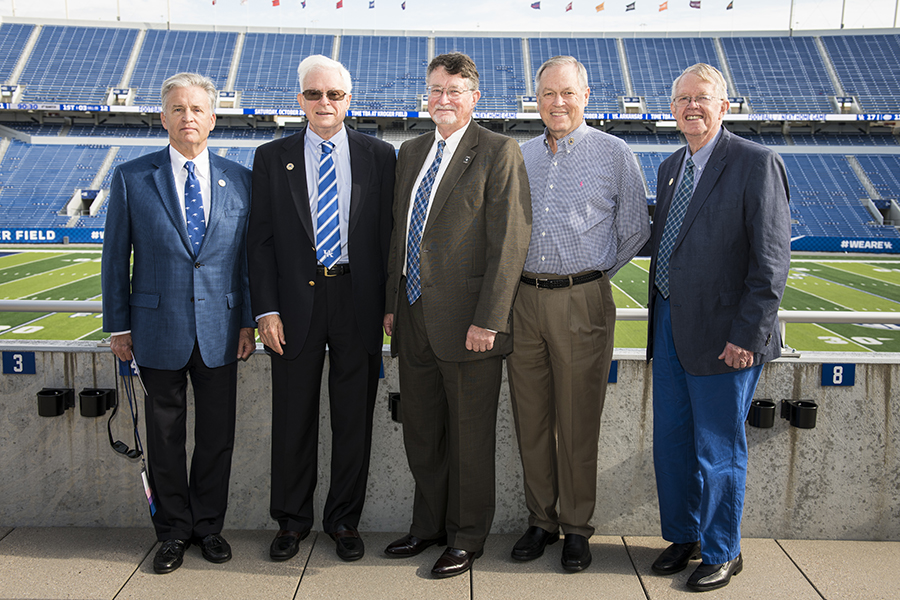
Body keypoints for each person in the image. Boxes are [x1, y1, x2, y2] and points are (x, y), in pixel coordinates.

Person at [382, 52, 531, 579]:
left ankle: (466, 537)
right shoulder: (411, 151)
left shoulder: (498, 150)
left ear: (474, 97)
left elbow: (510, 242)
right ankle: (427, 526)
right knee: (422, 432)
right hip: (413, 314)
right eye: (435, 89)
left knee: (469, 439)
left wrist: (489, 319)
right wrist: (391, 304)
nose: (443, 99)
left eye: (454, 90)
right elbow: (400, 233)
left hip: (470, 323)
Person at [101, 72, 255, 575]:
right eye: (178, 109)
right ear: (163, 118)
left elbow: (247, 260)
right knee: (164, 438)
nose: (188, 117)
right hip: (155, 330)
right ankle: (171, 532)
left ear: (213, 118)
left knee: (217, 437)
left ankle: (207, 526)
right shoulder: (132, 177)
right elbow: (114, 257)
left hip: (221, 329)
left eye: (197, 109)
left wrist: (247, 322)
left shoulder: (241, 179)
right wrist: (118, 326)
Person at [646, 63, 790, 592]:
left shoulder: (756, 162)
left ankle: (723, 549)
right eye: (682, 99)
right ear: (672, 108)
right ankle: (684, 536)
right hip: (670, 321)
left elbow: (771, 262)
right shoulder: (670, 166)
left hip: (726, 332)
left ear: (723, 106)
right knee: (673, 444)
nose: (691, 107)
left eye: (702, 98)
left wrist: (748, 336)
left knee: (718, 448)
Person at [247, 55, 395, 563]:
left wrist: (389, 306)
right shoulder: (271, 157)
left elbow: (389, 238)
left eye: (334, 94)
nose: (324, 102)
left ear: (348, 100)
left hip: (358, 300)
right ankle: (291, 521)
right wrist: (265, 310)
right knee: (293, 418)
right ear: (300, 100)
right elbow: (260, 242)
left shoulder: (380, 155)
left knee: (353, 420)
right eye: (314, 94)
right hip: (294, 306)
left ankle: (344, 520)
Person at [507, 55, 650, 572]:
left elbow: (635, 230)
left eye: (567, 92)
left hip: (581, 300)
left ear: (586, 96)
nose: (557, 102)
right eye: (548, 93)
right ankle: (541, 520)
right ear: (536, 99)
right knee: (530, 419)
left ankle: (576, 526)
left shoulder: (614, 154)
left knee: (577, 420)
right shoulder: (519, 155)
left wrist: (588, 279)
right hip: (522, 300)